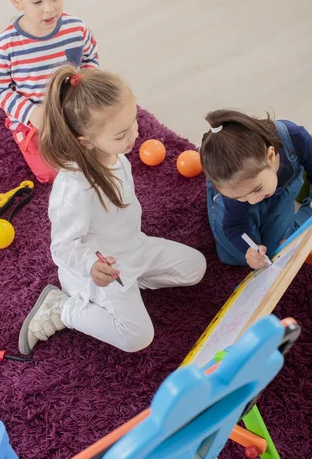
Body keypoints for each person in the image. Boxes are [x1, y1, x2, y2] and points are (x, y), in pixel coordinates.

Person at [18, 66, 206, 354]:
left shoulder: (115, 155)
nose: (134, 135)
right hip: (103, 269)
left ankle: (124, 291)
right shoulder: (74, 188)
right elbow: (63, 247)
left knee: (196, 268)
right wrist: (91, 268)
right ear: (86, 141)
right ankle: (63, 307)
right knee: (137, 337)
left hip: (132, 247)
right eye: (121, 134)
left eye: (133, 122)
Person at [0, 0, 99, 183]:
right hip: (34, 121)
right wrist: (30, 112)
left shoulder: (76, 29)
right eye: (37, 1)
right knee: (51, 174)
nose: (50, 8)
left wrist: (82, 94)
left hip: (72, 110)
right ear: (16, 0)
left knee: (101, 151)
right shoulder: (4, 45)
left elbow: (90, 62)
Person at [199, 109, 312, 269]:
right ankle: (223, 197)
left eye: (257, 189)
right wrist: (249, 249)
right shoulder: (234, 186)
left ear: (270, 156)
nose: (253, 201)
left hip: (281, 190)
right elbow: (234, 225)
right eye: (240, 197)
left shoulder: (295, 137)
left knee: (279, 249)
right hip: (236, 192)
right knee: (239, 256)